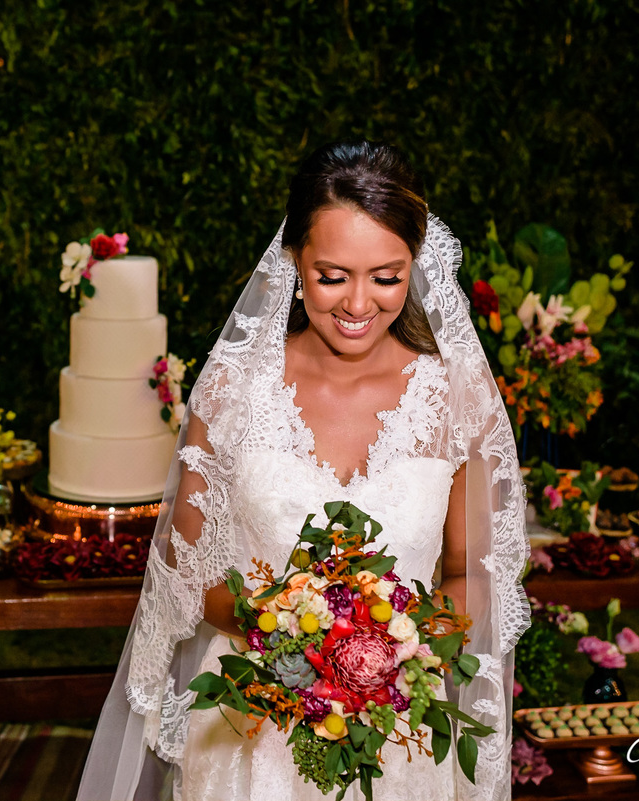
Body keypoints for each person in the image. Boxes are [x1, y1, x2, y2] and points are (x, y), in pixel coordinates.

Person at [77, 140, 530, 801]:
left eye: (385, 275)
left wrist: (385, 650)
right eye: (332, 274)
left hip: (397, 739)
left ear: (416, 266)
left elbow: (470, 574)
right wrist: (294, 634)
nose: (357, 303)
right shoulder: (234, 390)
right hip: (248, 728)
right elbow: (189, 568)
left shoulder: (457, 397)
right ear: (294, 261)